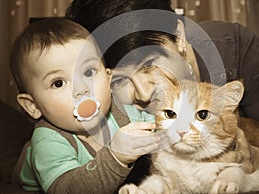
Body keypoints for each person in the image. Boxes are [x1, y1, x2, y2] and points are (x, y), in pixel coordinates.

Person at [65, 0, 259, 188]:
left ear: (178, 36)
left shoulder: (236, 48)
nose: (143, 94)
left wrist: (257, 159)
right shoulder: (102, 92)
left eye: (148, 64)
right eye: (118, 81)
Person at [9, 18, 160, 194]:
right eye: (58, 83)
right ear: (33, 105)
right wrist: (115, 157)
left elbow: (161, 127)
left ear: (108, 78)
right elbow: (67, 189)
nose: (81, 90)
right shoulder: (48, 140)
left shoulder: (122, 113)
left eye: (88, 72)